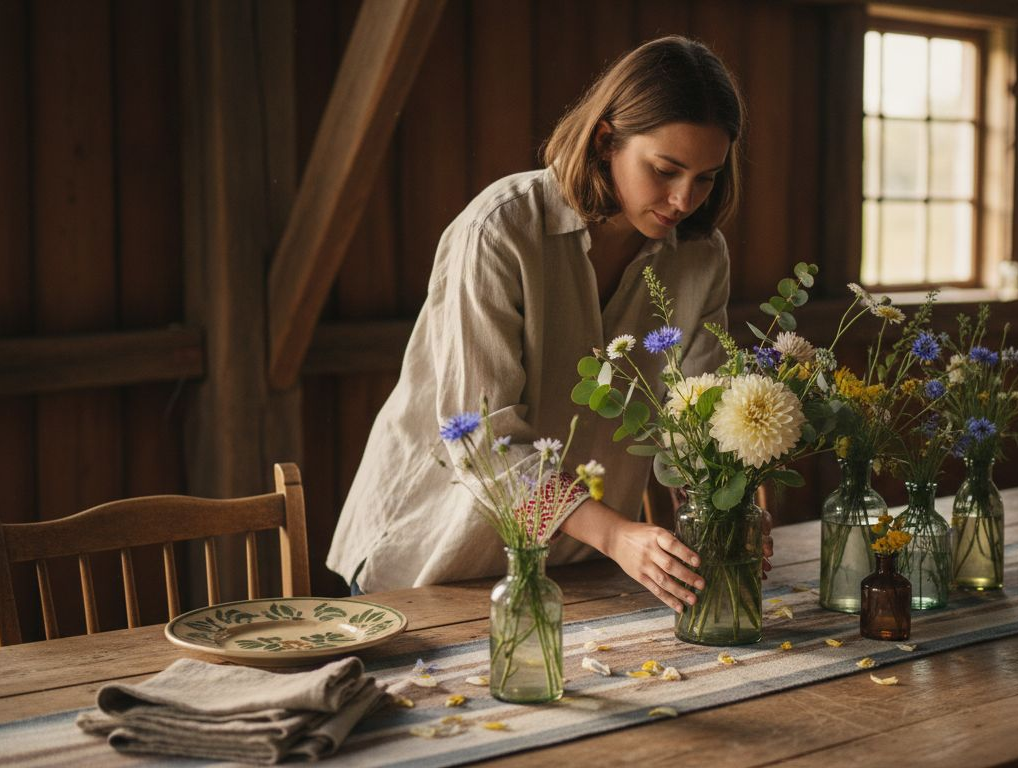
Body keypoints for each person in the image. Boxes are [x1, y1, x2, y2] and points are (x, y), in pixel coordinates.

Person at [326, 35, 771, 614]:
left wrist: (729, 507)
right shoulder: (500, 231)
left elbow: (698, 412)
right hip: (431, 563)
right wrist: (614, 533)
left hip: (576, 568)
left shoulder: (700, 256)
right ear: (607, 140)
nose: (684, 198)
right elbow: (482, 443)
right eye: (665, 170)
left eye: (706, 177)